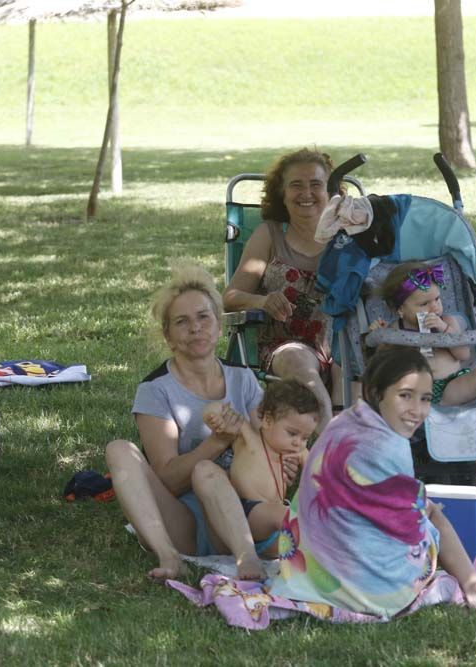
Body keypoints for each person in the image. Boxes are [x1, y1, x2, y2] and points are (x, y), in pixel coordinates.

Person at [260, 347, 476, 617]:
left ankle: (469, 581)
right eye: (405, 396)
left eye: (425, 399)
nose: (417, 410)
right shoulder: (390, 445)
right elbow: (408, 522)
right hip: (371, 588)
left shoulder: (343, 423)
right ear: (377, 393)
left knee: (424, 507)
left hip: (313, 571)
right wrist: (424, 510)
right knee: (434, 517)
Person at [105, 262, 294, 581]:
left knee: (212, 472)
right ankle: (168, 556)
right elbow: (165, 480)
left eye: (204, 317)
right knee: (119, 450)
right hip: (187, 523)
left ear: (219, 325)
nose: (195, 328)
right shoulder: (155, 390)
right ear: (168, 335)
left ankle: (246, 556)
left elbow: (271, 454)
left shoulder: (242, 379)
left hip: (245, 515)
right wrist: (216, 442)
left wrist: (282, 460)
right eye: (182, 321)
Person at [223, 148, 340, 429]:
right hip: (286, 346)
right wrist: (262, 301)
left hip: (343, 345)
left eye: (316, 184)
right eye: (295, 185)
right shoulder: (269, 234)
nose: (306, 193)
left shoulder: (347, 236)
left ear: (331, 191)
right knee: (300, 361)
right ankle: (330, 442)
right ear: (282, 193)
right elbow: (230, 298)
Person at [371, 261, 476, 406]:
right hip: (417, 393)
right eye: (424, 304)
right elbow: (384, 363)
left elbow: (463, 354)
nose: (434, 307)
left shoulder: (447, 322)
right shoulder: (396, 330)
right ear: (400, 309)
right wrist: (382, 337)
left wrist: (444, 330)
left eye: (437, 299)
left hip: (451, 386)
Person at [202, 379, 320, 559]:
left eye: (305, 438)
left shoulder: (297, 452)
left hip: (271, 533)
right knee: (282, 514)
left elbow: (319, 474)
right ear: (267, 420)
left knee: (298, 532)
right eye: (292, 433)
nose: (298, 442)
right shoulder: (248, 437)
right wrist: (213, 416)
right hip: (245, 515)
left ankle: (329, 554)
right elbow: (216, 409)